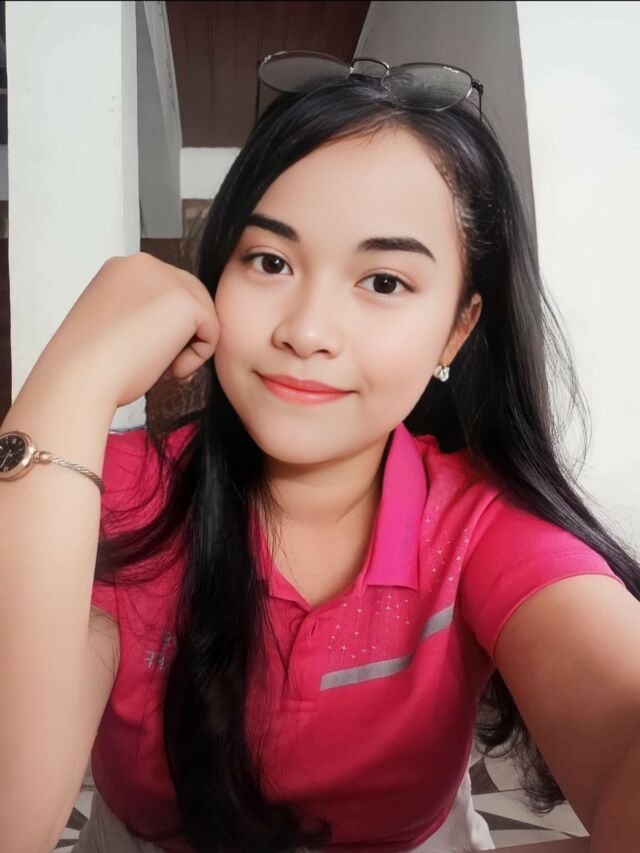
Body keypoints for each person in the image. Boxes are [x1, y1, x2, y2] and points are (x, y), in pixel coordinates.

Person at [2, 55, 639, 853]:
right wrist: (72, 378)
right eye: (270, 262)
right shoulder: (116, 494)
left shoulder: (482, 529)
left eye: (384, 281)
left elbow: (622, 726)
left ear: (457, 328)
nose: (306, 330)